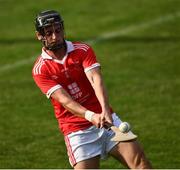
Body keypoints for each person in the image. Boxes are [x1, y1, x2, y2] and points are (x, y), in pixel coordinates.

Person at [32, 10, 152, 169]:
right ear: (39, 35)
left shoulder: (82, 50)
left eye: (58, 30)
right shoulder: (41, 70)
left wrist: (105, 111)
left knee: (141, 164)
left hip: (108, 120)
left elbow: (96, 79)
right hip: (77, 131)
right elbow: (65, 101)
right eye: (49, 33)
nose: (55, 36)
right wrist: (90, 116)